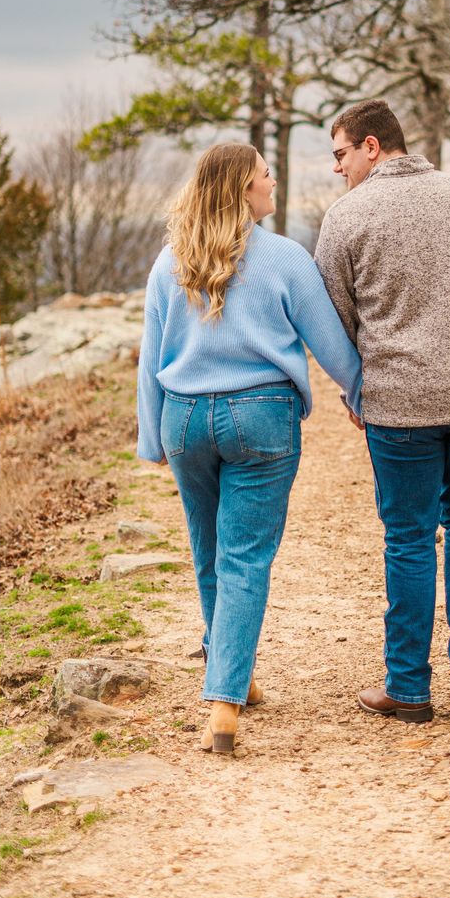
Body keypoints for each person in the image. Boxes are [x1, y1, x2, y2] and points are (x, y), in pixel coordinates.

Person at [137, 143, 362, 754]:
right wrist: (361, 395)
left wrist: (149, 435)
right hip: (261, 417)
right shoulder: (286, 258)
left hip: (184, 419)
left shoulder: (170, 262)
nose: (274, 179)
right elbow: (332, 346)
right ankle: (224, 702)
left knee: (210, 553)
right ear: (243, 188)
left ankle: (230, 671)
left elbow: (151, 355)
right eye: (266, 173)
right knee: (244, 559)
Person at [315, 99, 450, 724]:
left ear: (373, 147)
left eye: (341, 154)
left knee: (408, 537)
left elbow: (335, 321)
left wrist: (359, 389)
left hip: (400, 402)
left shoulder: (347, 218)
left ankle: (408, 687)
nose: (338, 169)